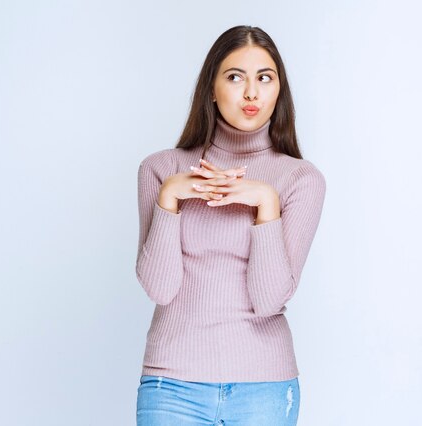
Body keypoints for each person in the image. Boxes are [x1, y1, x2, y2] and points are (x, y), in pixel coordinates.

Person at [135, 25, 326, 426]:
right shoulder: (161, 169)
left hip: (265, 387)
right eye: (235, 77)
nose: (251, 93)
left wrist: (265, 203)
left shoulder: (300, 180)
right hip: (173, 385)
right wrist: (170, 197)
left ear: (279, 91)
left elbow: (270, 298)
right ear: (211, 88)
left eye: (265, 78)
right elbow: (159, 287)